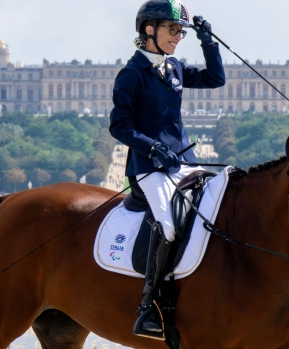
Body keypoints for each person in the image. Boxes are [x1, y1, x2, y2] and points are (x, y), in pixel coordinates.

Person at [109, 0, 225, 340]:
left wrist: (208, 42)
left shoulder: (173, 67)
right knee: (169, 226)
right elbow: (120, 126)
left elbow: (215, 79)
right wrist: (152, 147)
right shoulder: (131, 74)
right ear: (150, 30)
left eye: (181, 32)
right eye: (173, 30)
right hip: (148, 167)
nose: (178, 37)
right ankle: (149, 307)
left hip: (181, 161)